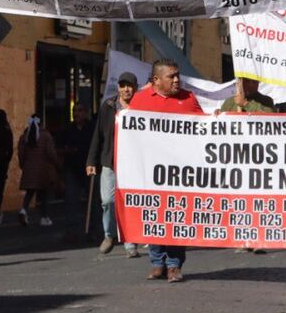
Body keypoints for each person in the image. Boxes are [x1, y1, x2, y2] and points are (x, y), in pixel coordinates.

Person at [129, 59, 204, 283]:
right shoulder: (140, 100)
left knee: (176, 216)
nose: (176, 80)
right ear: (155, 80)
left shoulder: (188, 98)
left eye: (177, 75)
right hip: (150, 171)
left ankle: (174, 264)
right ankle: (157, 262)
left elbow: (205, 129)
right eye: (171, 76)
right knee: (154, 216)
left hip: (180, 172)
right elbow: (129, 132)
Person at [220, 78, 275, 254]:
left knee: (258, 200)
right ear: (241, 83)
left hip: (259, 158)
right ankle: (243, 237)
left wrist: (245, 105)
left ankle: (260, 238)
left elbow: (272, 122)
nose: (252, 85)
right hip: (236, 158)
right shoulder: (229, 102)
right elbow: (221, 126)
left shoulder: (266, 101)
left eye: (255, 82)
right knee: (240, 200)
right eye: (248, 82)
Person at [87, 72, 139, 257]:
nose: (126, 89)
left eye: (130, 85)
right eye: (123, 85)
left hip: (133, 163)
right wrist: (91, 160)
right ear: (118, 87)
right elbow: (98, 135)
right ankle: (109, 235)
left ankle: (130, 242)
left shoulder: (141, 107)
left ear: (135, 87)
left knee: (129, 203)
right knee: (108, 201)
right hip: (109, 161)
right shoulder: (108, 106)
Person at [58, 105, 93, 238]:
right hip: (72, 168)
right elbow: (59, 148)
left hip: (90, 168)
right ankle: (71, 230)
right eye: (74, 111)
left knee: (92, 201)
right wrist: (69, 151)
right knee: (71, 199)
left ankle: (91, 229)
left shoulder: (92, 128)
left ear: (86, 112)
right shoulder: (67, 129)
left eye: (79, 110)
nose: (76, 114)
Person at [17, 115, 59, 226]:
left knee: (30, 192)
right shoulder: (46, 136)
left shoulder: (24, 137)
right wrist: (57, 164)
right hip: (43, 169)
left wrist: (23, 165)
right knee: (43, 194)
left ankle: (24, 209)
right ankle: (44, 217)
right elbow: (51, 153)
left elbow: (21, 154)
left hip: (29, 169)